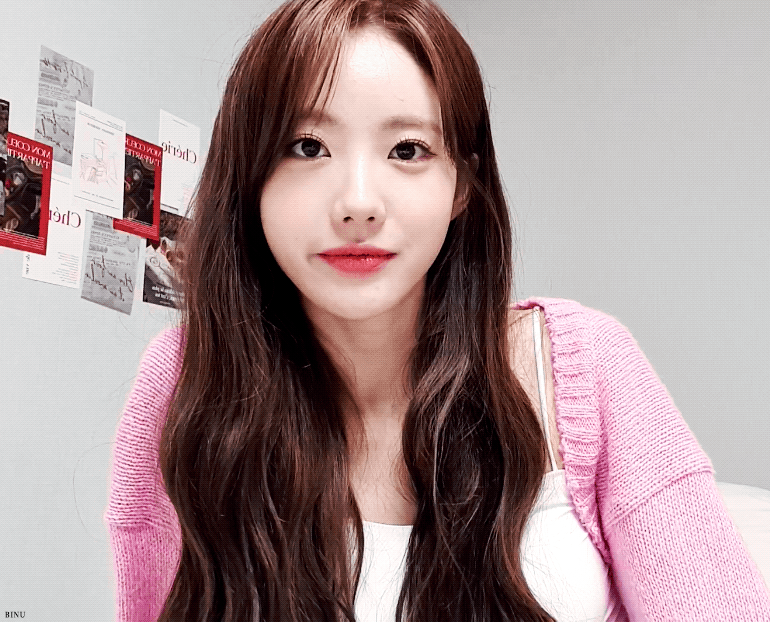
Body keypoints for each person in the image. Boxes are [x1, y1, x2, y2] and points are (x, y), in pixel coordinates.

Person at [104, 0, 770, 620]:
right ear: (249, 177)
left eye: (408, 150)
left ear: (461, 188)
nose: (358, 203)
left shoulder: (584, 365)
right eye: (307, 146)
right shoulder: (184, 381)